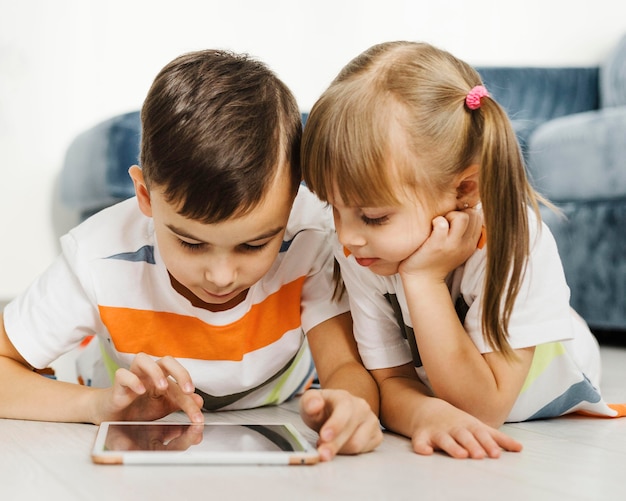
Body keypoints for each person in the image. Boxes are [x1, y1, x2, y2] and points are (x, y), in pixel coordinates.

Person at [0, 49, 382, 461]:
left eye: (254, 245)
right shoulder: (98, 256)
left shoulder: (311, 233)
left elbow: (345, 367)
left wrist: (351, 408)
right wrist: (95, 405)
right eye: (191, 243)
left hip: (278, 405)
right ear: (144, 195)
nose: (221, 276)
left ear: (293, 199)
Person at [301, 41, 625, 458]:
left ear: (465, 189)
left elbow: (483, 409)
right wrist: (422, 415)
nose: (346, 237)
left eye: (374, 216)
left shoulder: (515, 239)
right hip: (449, 375)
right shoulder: (365, 251)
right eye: (333, 207)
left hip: (554, 373)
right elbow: (391, 381)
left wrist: (422, 278)